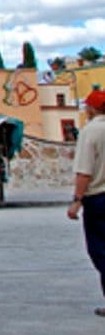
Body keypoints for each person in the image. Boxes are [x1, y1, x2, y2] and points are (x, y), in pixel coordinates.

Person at [68, 88, 105, 317]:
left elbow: (84, 172)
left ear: (91, 108)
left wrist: (76, 201)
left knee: (100, 250)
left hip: (99, 199)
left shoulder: (90, 132)